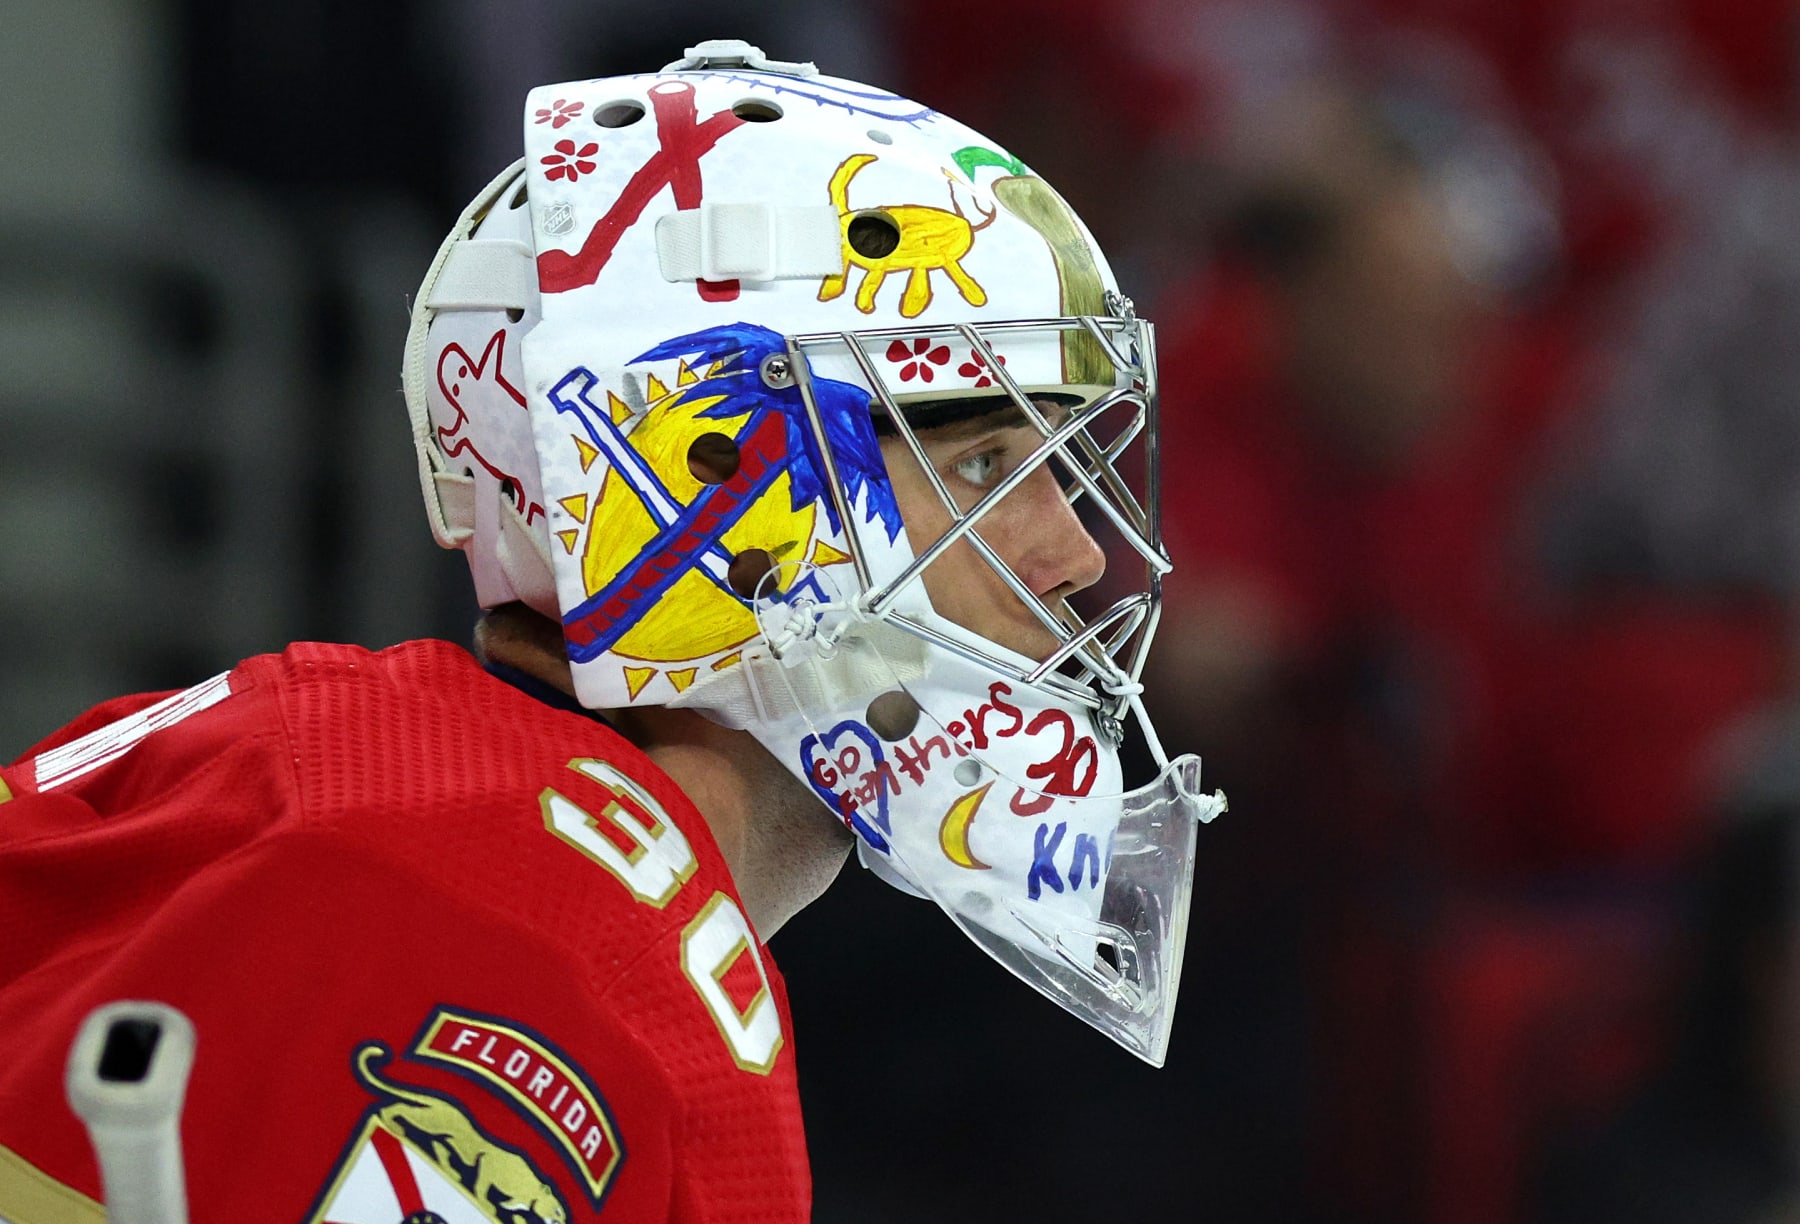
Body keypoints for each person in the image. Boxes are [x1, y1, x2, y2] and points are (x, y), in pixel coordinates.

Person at [0, 38, 1222, 1221]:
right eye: (988, 464)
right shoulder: (562, 960)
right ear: (718, 478)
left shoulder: (335, 736)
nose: (1077, 557)